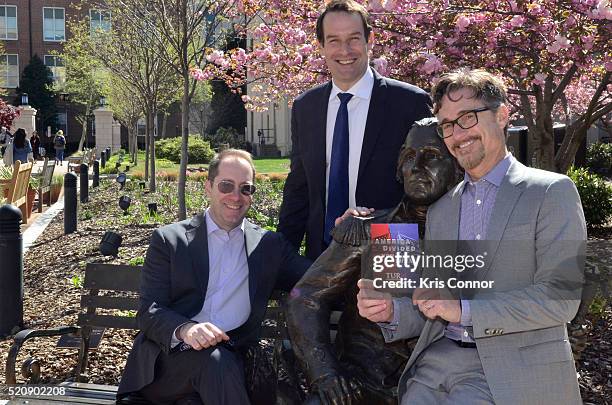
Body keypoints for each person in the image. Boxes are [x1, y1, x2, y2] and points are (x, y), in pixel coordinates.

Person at [357, 69, 587, 405]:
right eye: (447, 125)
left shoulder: (551, 192)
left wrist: (464, 311)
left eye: (467, 117)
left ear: (502, 114)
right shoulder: (442, 211)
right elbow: (435, 305)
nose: (457, 134)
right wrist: (391, 310)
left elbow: (560, 300)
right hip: (434, 368)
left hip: (512, 369)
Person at [287, 119, 462, 405]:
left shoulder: (472, 232)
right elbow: (305, 297)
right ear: (398, 170)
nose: (416, 167)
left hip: (439, 384)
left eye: (431, 156)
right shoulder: (369, 230)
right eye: (408, 157)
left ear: (457, 166)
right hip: (363, 386)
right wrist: (326, 374)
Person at [117, 149, 313, 404]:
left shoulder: (268, 246)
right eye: (226, 186)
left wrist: (347, 233)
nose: (236, 196)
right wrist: (186, 330)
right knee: (217, 362)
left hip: (228, 366)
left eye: (246, 188)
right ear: (208, 187)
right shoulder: (170, 240)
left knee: (219, 364)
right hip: (167, 366)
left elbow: (318, 277)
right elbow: (149, 311)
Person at [277, 0, 432, 261]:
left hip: (390, 252)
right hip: (322, 256)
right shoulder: (306, 107)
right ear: (321, 46)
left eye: (354, 38)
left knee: (388, 305)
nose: (345, 50)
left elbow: (425, 189)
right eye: (334, 40)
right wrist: (282, 258)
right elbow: (299, 189)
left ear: (370, 40)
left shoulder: (410, 103)